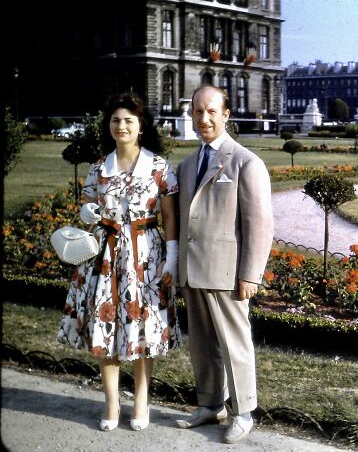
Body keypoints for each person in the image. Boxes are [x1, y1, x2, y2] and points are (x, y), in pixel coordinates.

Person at [57, 92, 180, 432]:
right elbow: (87, 206)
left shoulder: (159, 167)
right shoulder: (99, 167)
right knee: (105, 326)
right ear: (108, 126)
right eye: (115, 120)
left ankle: (141, 400)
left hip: (145, 255)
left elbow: (170, 218)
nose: (121, 126)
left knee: (141, 328)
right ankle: (111, 402)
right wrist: (88, 212)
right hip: (105, 255)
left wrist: (172, 259)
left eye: (128, 120)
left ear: (141, 127)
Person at [175, 85, 274, 444]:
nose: (204, 118)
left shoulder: (246, 162)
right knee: (202, 344)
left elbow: (260, 225)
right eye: (198, 111)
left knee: (235, 344)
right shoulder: (186, 166)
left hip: (229, 274)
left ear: (226, 114)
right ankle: (209, 404)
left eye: (212, 111)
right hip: (194, 271)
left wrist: (250, 274)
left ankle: (243, 411)